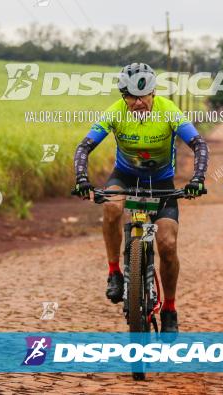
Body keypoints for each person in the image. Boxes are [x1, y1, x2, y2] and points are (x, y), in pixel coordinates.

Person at [72, 62, 209, 334]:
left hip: (161, 182)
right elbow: (84, 147)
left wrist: (197, 179)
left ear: (153, 92)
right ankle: (114, 271)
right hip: (125, 177)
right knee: (111, 206)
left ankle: (169, 309)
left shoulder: (168, 111)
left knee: (168, 245)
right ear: (123, 96)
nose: (137, 102)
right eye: (130, 96)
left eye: (142, 95)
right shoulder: (116, 112)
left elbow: (199, 145)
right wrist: (81, 179)